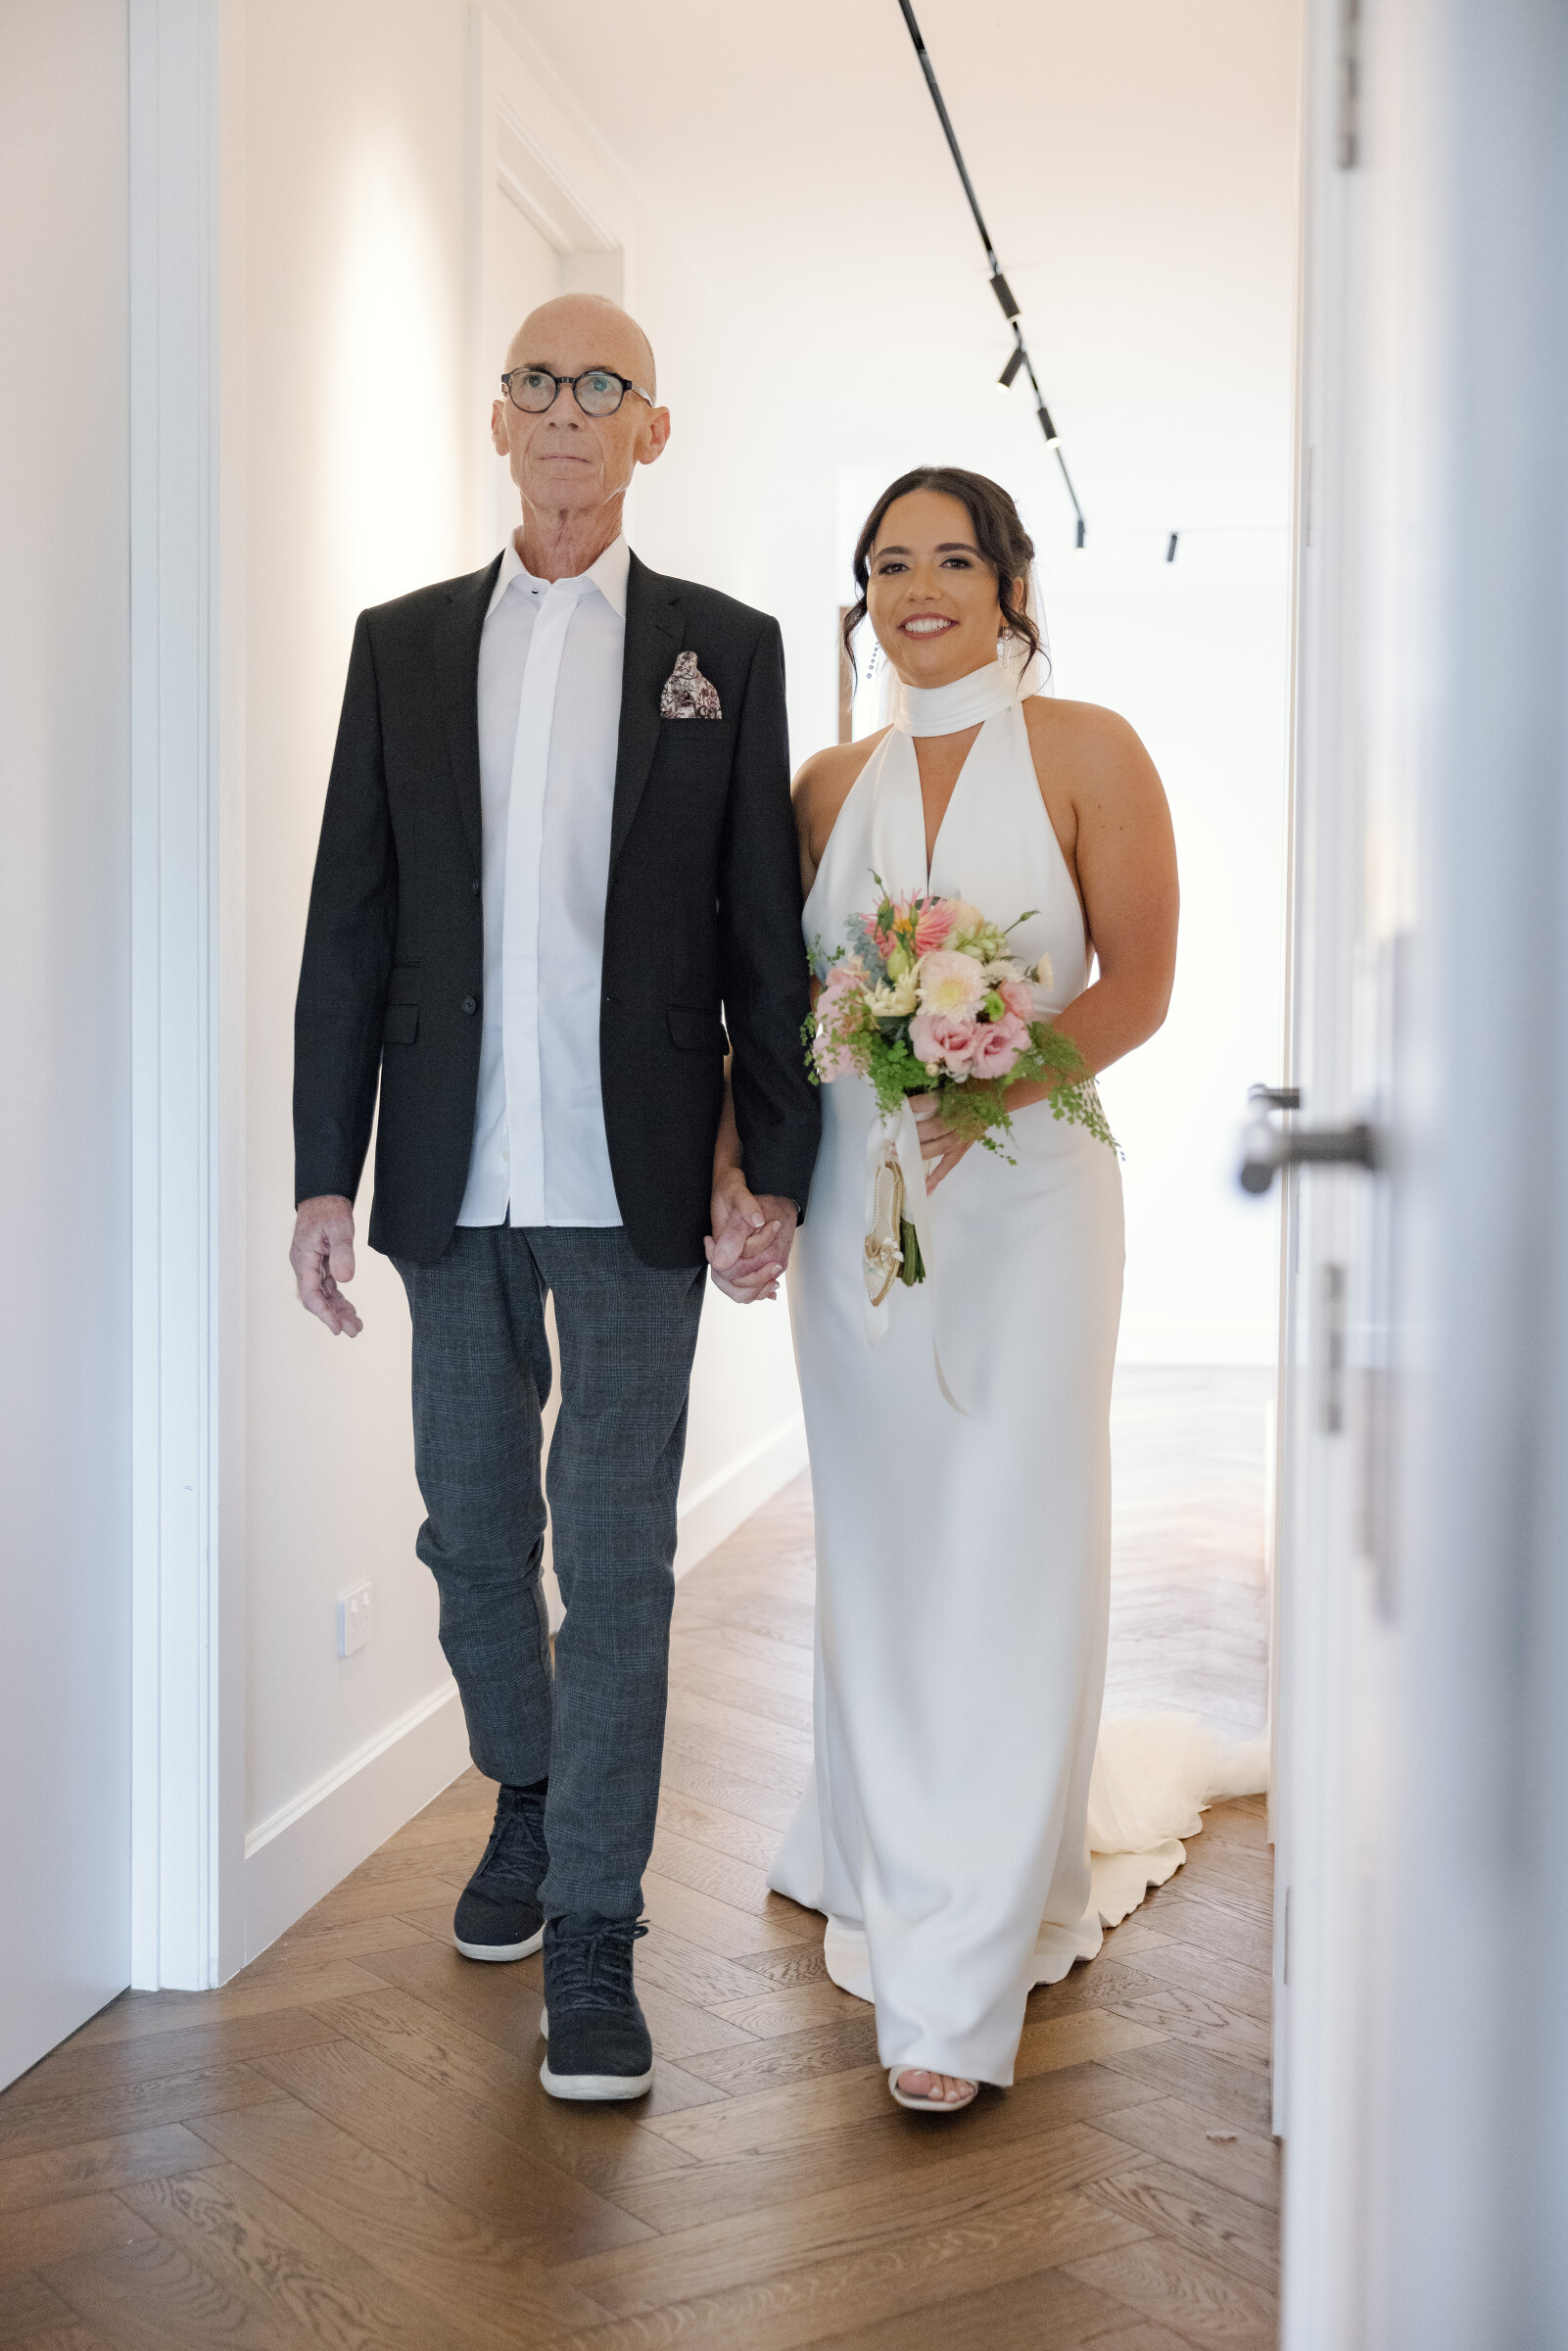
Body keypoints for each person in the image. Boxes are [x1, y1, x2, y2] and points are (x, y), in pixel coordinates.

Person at [289, 294, 819, 2102]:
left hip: (634, 1180)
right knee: (466, 1532)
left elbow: (761, 935)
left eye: (604, 386)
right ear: (497, 417)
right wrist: (323, 1169)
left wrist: (773, 1168)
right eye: (537, 381)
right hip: (451, 1170)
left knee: (613, 1556)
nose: (567, 410)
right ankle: (524, 1781)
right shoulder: (403, 645)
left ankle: (593, 1921)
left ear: (650, 429)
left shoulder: (722, 649)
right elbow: (348, 924)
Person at [721, 465, 1183, 2111]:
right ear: (864, 597)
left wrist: (994, 1079)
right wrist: (741, 1167)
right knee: (883, 1533)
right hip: (861, 1207)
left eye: (950, 561)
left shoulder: (1088, 750)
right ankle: (877, 1836)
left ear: (1008, 586)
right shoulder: (822, 781)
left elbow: (1139, 984)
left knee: (1011, 1533)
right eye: (888, 564)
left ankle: (962, 1967)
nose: (918, 589)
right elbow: (769, 1002)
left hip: (1032, 1201)